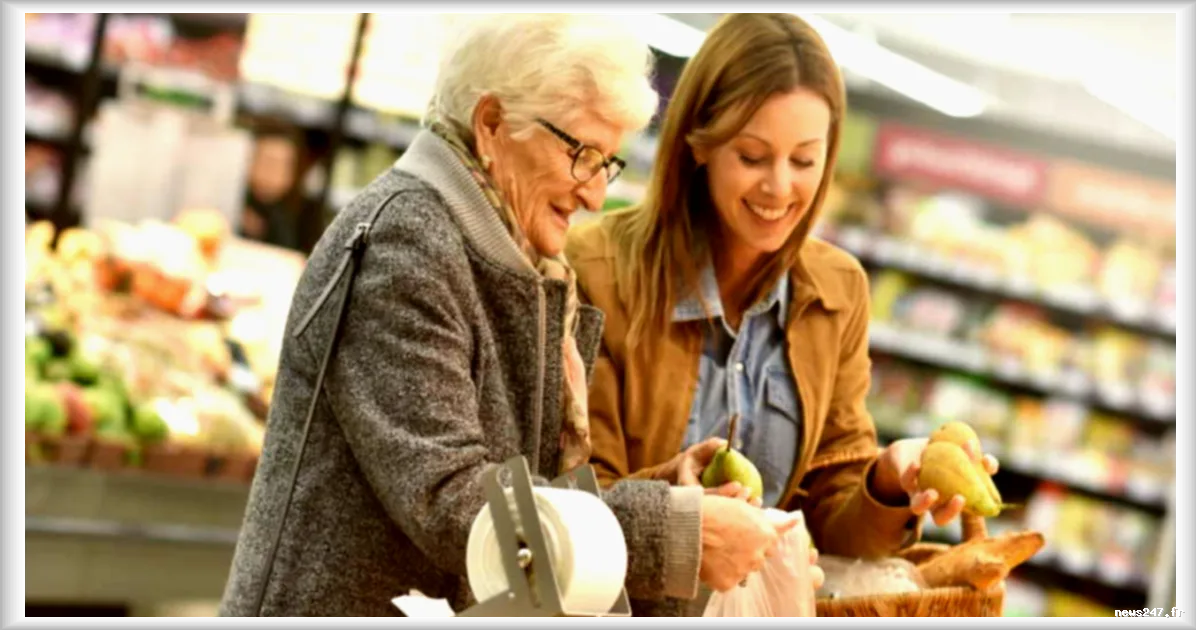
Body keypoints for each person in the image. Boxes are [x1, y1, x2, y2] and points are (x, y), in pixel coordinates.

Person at [218, 13, 796, 618]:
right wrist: (677, 534)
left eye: (609, 163)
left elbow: (518, 483)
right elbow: (454, 501)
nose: (597, 194)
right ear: (492, 122)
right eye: (582, 154)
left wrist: (666, 493)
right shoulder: (407, 246)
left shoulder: (514, 261)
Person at [564, 12, 1000, 615]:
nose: (780, 187)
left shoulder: (837, 290)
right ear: (701, 143)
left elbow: (830, 519)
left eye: (804, 160)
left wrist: (889, 482)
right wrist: (686, 516)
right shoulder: (595, 270)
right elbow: (577, 496)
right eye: (752, 155)